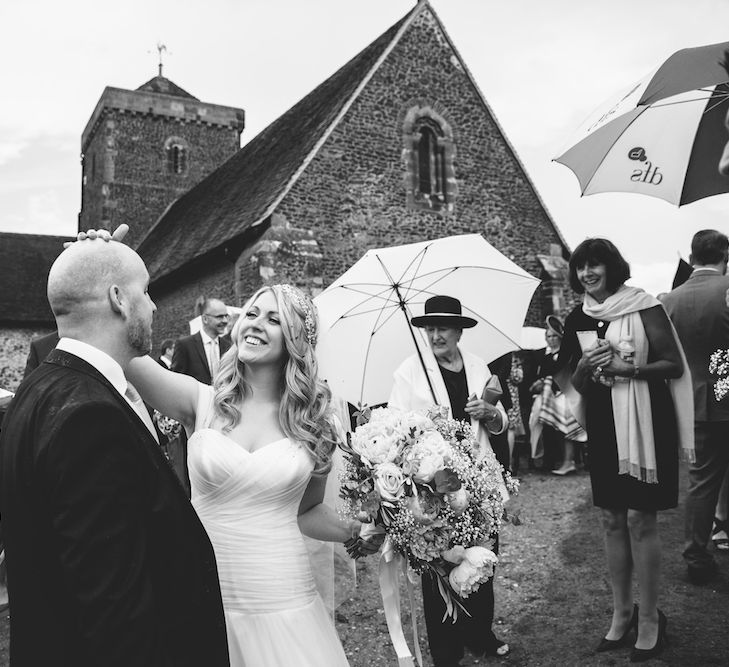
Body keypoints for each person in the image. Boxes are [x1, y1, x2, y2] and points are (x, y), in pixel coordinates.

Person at [0, 234, 229, 666]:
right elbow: (114, 608)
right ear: (119, 299)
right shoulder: (90, 417)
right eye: (146, 291)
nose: (155, 306)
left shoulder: (36, 390)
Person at [127, 283, 380, 667]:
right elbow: (122, 355)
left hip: (282, 595)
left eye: (274, 319)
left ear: (295, 340)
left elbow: (308, 512)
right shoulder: (202, 402)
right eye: (252, 313)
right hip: (201, 587)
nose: (255, 324)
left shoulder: (315, 425)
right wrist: (101, 261)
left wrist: (354, 530)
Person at [560, 238, 693, 663]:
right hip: (604, 425)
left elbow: (673, 363)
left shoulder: (643, 305)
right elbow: (571, 385)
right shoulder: (577, 316)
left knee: (640, 518)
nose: (586, 274)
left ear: (612, 267)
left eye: (594, 265)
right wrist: (583, 367)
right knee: (612, 520)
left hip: (646, 424)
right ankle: (622, 615)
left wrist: (628, 369)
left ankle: (651, 618)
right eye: (580, 267)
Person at [388, 294, 510, 667]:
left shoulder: (478, 366)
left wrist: (489, 412)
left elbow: (502, 423)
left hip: (481, 481)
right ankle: (446, 649)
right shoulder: (410, 371)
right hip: (437, 485)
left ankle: (480, 634)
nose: (436, 335)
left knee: (482, 558)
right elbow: (396, 424)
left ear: (458, 331)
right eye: (430, 328)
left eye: (443, 328)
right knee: (440, 563)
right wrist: (427, 425)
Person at [660, 229, 729, 584]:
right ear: (724, 254)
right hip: (725, 393)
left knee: (702, 482)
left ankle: (697, 554)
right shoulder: (727, 289)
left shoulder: (670, 300)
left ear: (694, 255)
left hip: (692, 403)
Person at [529, 316, 586, 475]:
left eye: (555, 335)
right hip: (550, 397)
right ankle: (551, 460)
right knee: (552, 428)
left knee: (568, 428)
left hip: (566, 394)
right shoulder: (544, 356)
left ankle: (570, 462)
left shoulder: (568, 353)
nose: (552, 339)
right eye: (549, 336)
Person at [172, 298, 232, 384]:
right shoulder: (185, 345)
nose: (225, 321)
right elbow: (177, 380)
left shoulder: (228, 346)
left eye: (226, 316)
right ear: (205, 319)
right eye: (220, 317)